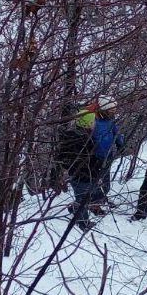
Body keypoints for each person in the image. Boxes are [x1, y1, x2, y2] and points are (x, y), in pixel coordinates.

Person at [58, 97, 122, 228]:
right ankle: (83, 216)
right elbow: (78, 152)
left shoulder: (109, 121)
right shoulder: (89, 125)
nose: (113, 112)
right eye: (110, 110)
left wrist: (120, 142)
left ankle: (92, 205)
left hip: (102, 160)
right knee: (86, 191)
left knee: (103, 187)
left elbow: (116, 132)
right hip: (91, 163)